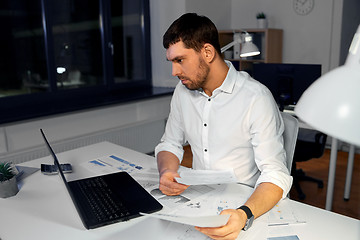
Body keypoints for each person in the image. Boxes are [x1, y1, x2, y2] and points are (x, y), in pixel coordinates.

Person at [155, 13, 292, 240]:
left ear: (207, 53)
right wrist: (167, 171)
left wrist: (245, 214)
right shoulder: (182, 92)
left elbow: (276, 174)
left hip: (247, 203)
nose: (174, 72)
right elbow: (170, 143)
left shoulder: (255, 97)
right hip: (199, 200)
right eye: (172, 62)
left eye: (180, 60)